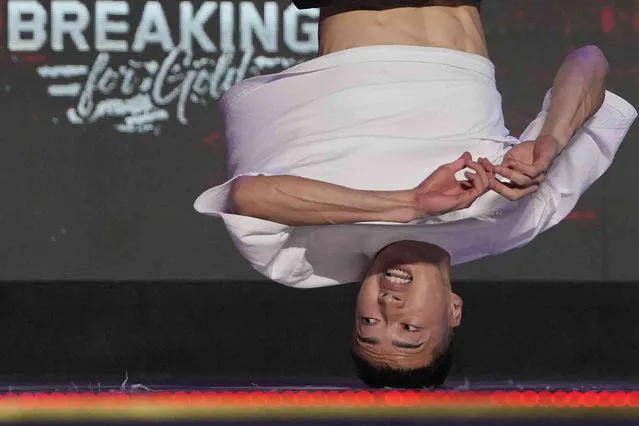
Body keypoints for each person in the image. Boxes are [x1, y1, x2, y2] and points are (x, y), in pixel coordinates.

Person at [194, 0, 637, 388]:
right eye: (408, 327)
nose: (388, 306)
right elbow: (589, 61)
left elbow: (247, 196)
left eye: (368, 324)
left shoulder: (305, 261)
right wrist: (552, 142)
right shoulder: (511, 224)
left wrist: (409, 204)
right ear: (454, 311)